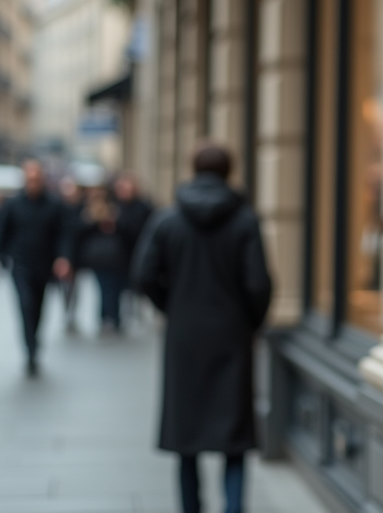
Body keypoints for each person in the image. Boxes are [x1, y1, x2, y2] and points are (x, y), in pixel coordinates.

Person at [132, 144, 272, 513]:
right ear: (230, 172)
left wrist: (171, 307)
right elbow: (258, 283)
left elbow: (144, 275)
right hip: (231, 338)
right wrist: (249, 322)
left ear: (193, 169)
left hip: (184, 338)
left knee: (187, 438)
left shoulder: (168, 219)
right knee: (235, 440)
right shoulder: (245, 220)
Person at [0, 160, 67, 376]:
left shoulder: (54, 204)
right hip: (21, 264)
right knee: (26, 305)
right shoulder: (13, 204)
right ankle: (30, 349)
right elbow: (2, 232)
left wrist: (63, 258)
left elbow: (63, 234)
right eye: (30, 179)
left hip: (45, 264)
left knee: (39, 307)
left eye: (36, 179)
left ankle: (35, 340)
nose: (33, 183)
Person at [73, 188, 128, 333]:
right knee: (104, 289)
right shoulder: (87, 213)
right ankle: (106, 318)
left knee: (114, 289)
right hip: (99, 258)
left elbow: (126, 231)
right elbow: (80, 232)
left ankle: (112, 317)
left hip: (115, 257)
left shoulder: (115, 210)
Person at [112, 172, 153, 323]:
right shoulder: (114, 206)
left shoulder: (143, 206)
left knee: (138, 281)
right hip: (118, 254)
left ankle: (138, 309)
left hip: (139, 249)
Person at [56, 176, 85, 334]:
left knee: (74, 286)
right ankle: (67, 310)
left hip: (78, 254)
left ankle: (71, 312)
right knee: (65, 286)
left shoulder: (82, 208)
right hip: (63, 254)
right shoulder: (59, 208)